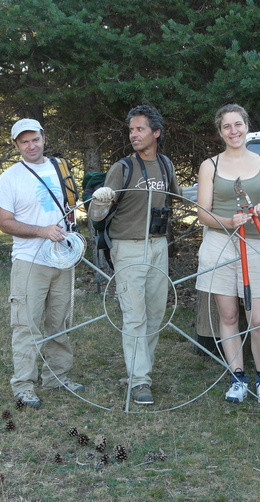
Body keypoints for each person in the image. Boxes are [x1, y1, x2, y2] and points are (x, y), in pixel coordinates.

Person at [87, 105, 181, 405]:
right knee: (134, 316)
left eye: (140, 129)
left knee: (155, 314)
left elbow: (177, 197)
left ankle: (143, 371)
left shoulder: (166, 165)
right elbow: (95, 213)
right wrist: (101, 200)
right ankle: (139, 380)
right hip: (127, 247)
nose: (134, 134)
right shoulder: (122, 168)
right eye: (131, 129)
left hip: (157, 246)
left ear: (156, 132)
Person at [0, 118, 84, 408]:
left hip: (62, 259)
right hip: (29, 261)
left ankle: (57, 377)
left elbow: (71, 208)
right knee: (26, 324)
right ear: (16, 145)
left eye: (35, 139)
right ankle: (24, 385)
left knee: (60, 322)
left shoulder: (60, 167)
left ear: (44, 138)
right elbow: (4, 223)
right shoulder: (11, 177)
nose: (31, 146)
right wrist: (41, 231)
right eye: (24, 142)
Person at [195, 104, 260, 403]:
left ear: (247, 126)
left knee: (257, 318)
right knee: (228, 314)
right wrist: (228, 222)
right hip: (220, 242)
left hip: (255, 243)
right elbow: (203, 213)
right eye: (227, 126)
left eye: (238, 124)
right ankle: (238, 377)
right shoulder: (210, 166)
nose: (234, 131)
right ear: (220, 132)